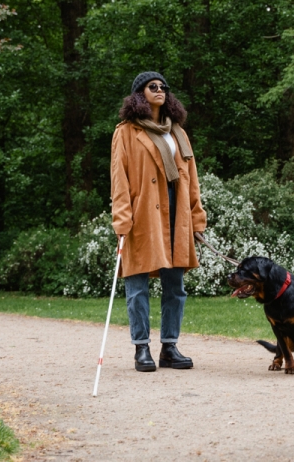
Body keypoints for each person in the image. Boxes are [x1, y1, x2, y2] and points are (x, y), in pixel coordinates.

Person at [111, 71, 207, 372]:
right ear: (139, 94)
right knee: (137, 285)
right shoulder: (126, 132)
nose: (160, 90)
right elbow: (120, 180)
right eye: (153, 86)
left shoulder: (176, 131)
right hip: (143, 216)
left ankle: (169, 346)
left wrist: (196, 218)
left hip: (176, 215)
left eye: (164, 86)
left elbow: (192, 180)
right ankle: (141, 348)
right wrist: (122, 221)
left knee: (175, 286)